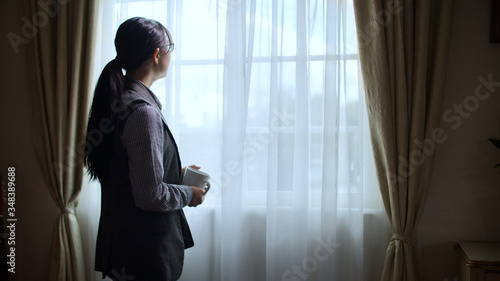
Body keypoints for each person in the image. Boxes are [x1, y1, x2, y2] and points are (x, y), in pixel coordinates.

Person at [84, 17, 205, 281]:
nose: (171, 55)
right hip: (144, 252)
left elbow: (127, 175)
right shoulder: (142, 112)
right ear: (157, 54)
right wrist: (189, 194)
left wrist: (176, 172)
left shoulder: (121, 99)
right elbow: (149, 195)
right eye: (170, 47)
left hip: (127, 246)